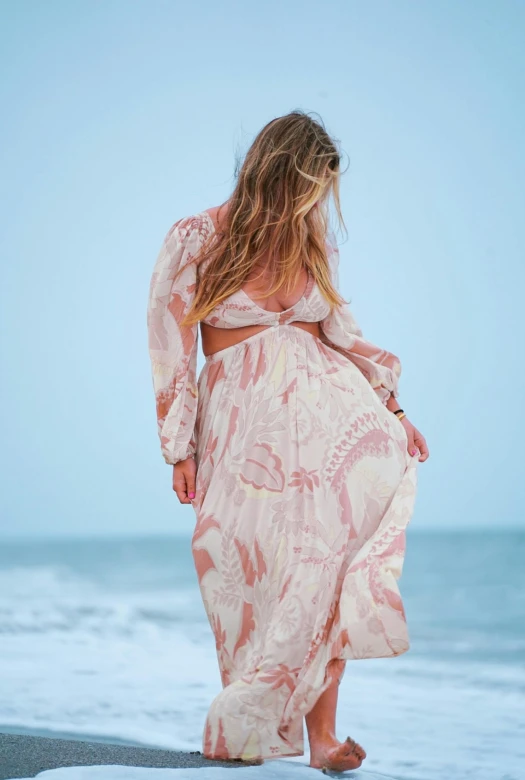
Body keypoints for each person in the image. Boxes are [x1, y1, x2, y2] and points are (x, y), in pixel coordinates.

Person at [147, 111, 429, 773]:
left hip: (333, 422)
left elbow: (340, 333)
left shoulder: (311, 241)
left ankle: (322, 741)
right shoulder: (195, 237)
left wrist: (393, 407)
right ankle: (246, 721)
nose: (313, 205)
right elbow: (170, 351)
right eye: (308, 189)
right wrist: (178, 446)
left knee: (324, 572)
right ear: (282, 173)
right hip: (244, 430)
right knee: (240, 570)